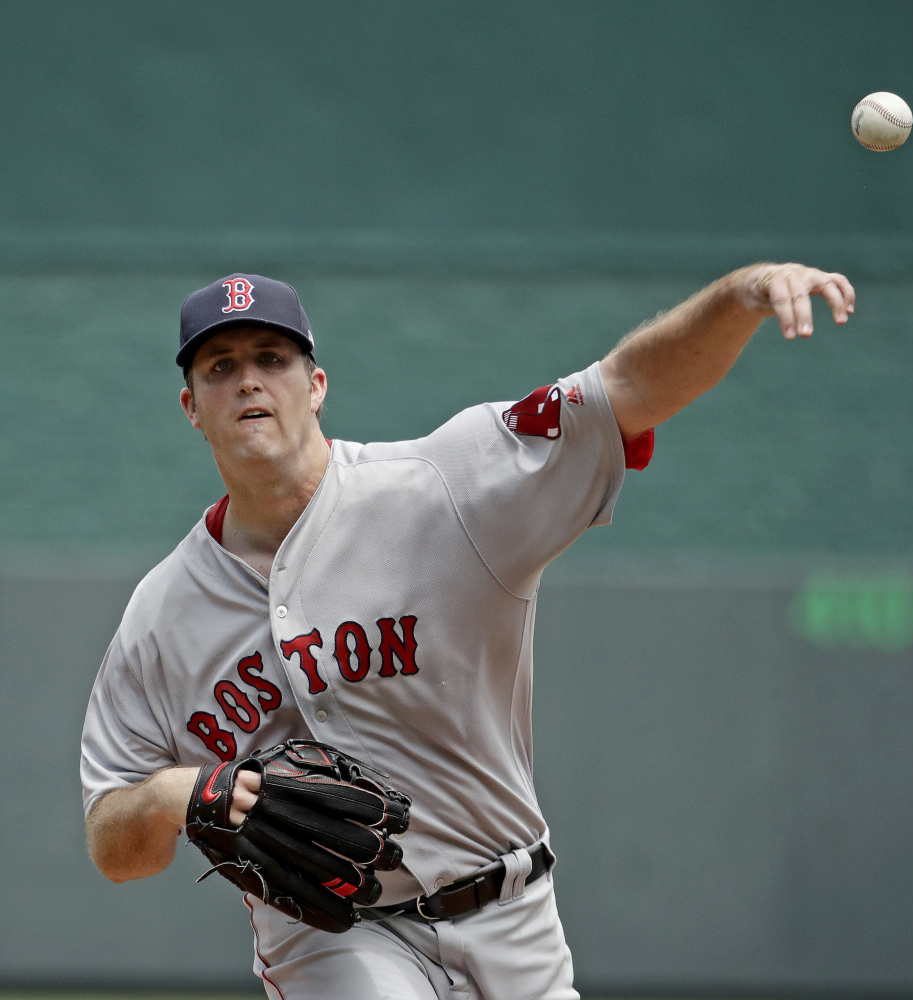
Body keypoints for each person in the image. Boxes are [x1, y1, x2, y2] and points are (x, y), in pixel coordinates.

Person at [81, 263, 854, 1000]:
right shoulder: (161, 617)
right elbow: (114, 842)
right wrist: (179, 795)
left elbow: (623, 389)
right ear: (190, 406)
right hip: (333, 937)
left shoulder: (443, 488)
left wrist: (742, 296)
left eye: (271, 357)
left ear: (316, 386)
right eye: (217, 367)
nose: (247, 379)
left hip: (512, 903)